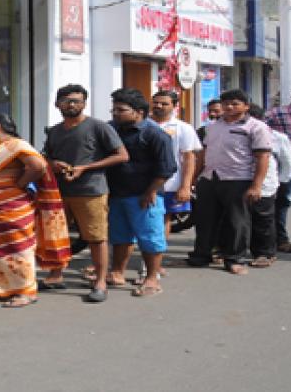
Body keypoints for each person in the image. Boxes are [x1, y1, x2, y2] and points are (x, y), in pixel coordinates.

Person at [42, 84, 128, 303]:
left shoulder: (98, 127)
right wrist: (54, 164)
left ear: (84, 103)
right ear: (57, 104)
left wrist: (85, 168)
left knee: (96, 237)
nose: (72, 105)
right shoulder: (54, 130)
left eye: (77, 101)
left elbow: (121, 156)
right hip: (60, 191)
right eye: (67, 101)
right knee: (56, 235)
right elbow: (45, 158)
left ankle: (100, 281)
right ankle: (55, 274)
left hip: (91, 190)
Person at [0, 113, 71, 307]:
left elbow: (38, 166)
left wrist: (19, 184)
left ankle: (26, 291)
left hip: (13, 207)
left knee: (19, 248)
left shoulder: (17, 145)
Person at [188, 90, 271, 275]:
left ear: (246, 106)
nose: (229, 107)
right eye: (226, 103)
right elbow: (203, 154)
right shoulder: (213, 126)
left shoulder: (256, 127)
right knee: (205, 219)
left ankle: (235, 259)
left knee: (237, 222)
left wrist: (256, 185)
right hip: (210, 178)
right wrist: (194, 178)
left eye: (234, 103)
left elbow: (263, 156)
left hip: (238, 179)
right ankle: (201, 255)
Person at [105, 88, 176, 298]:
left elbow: (167, 167)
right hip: (116, 193)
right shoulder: (110, 130)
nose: (115, 113)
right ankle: (117, 272)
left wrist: (151, 191)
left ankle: (152, 279)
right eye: (114, 109)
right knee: (120, 236)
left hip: (145, 195)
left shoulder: (155, 135)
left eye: (121, 110)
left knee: (150, 237)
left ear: (138, 112)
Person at [150, 91, 201, 246]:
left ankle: (156, 258)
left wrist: (185, 186)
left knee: (162, 218)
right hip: (141, 182)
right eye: (156, 102)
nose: (159, 106)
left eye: (164, 103)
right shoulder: (143, 124)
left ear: (174, 106)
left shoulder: (183, 128)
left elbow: (189, 158)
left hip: (170, 184)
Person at [248, 104, 291, 268]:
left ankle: (265, 253)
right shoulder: (236, 134)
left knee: (263, 218)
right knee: (239, 218)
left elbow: (287, 161)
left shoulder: (277, 137)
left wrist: (280, 181)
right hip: (238, 182)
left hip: (266, 184)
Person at [264, 88, 291, 253]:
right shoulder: (278, 113)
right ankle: (280, 239)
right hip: (287, 164)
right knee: (283, 200)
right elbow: (261, 128)